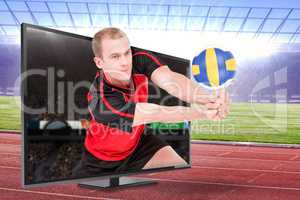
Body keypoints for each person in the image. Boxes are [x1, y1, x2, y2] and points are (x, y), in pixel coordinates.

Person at [72, 27, 230, 177]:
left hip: (138, 145)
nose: (125, 62)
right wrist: (203, 113)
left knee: (181, 175)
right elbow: (153, 113)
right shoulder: (99, 99)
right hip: (100, 161)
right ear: (99, 62)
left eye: (127, 53)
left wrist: (209, 98)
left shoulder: (138, 58)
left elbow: (171, 80)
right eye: (115, 56)